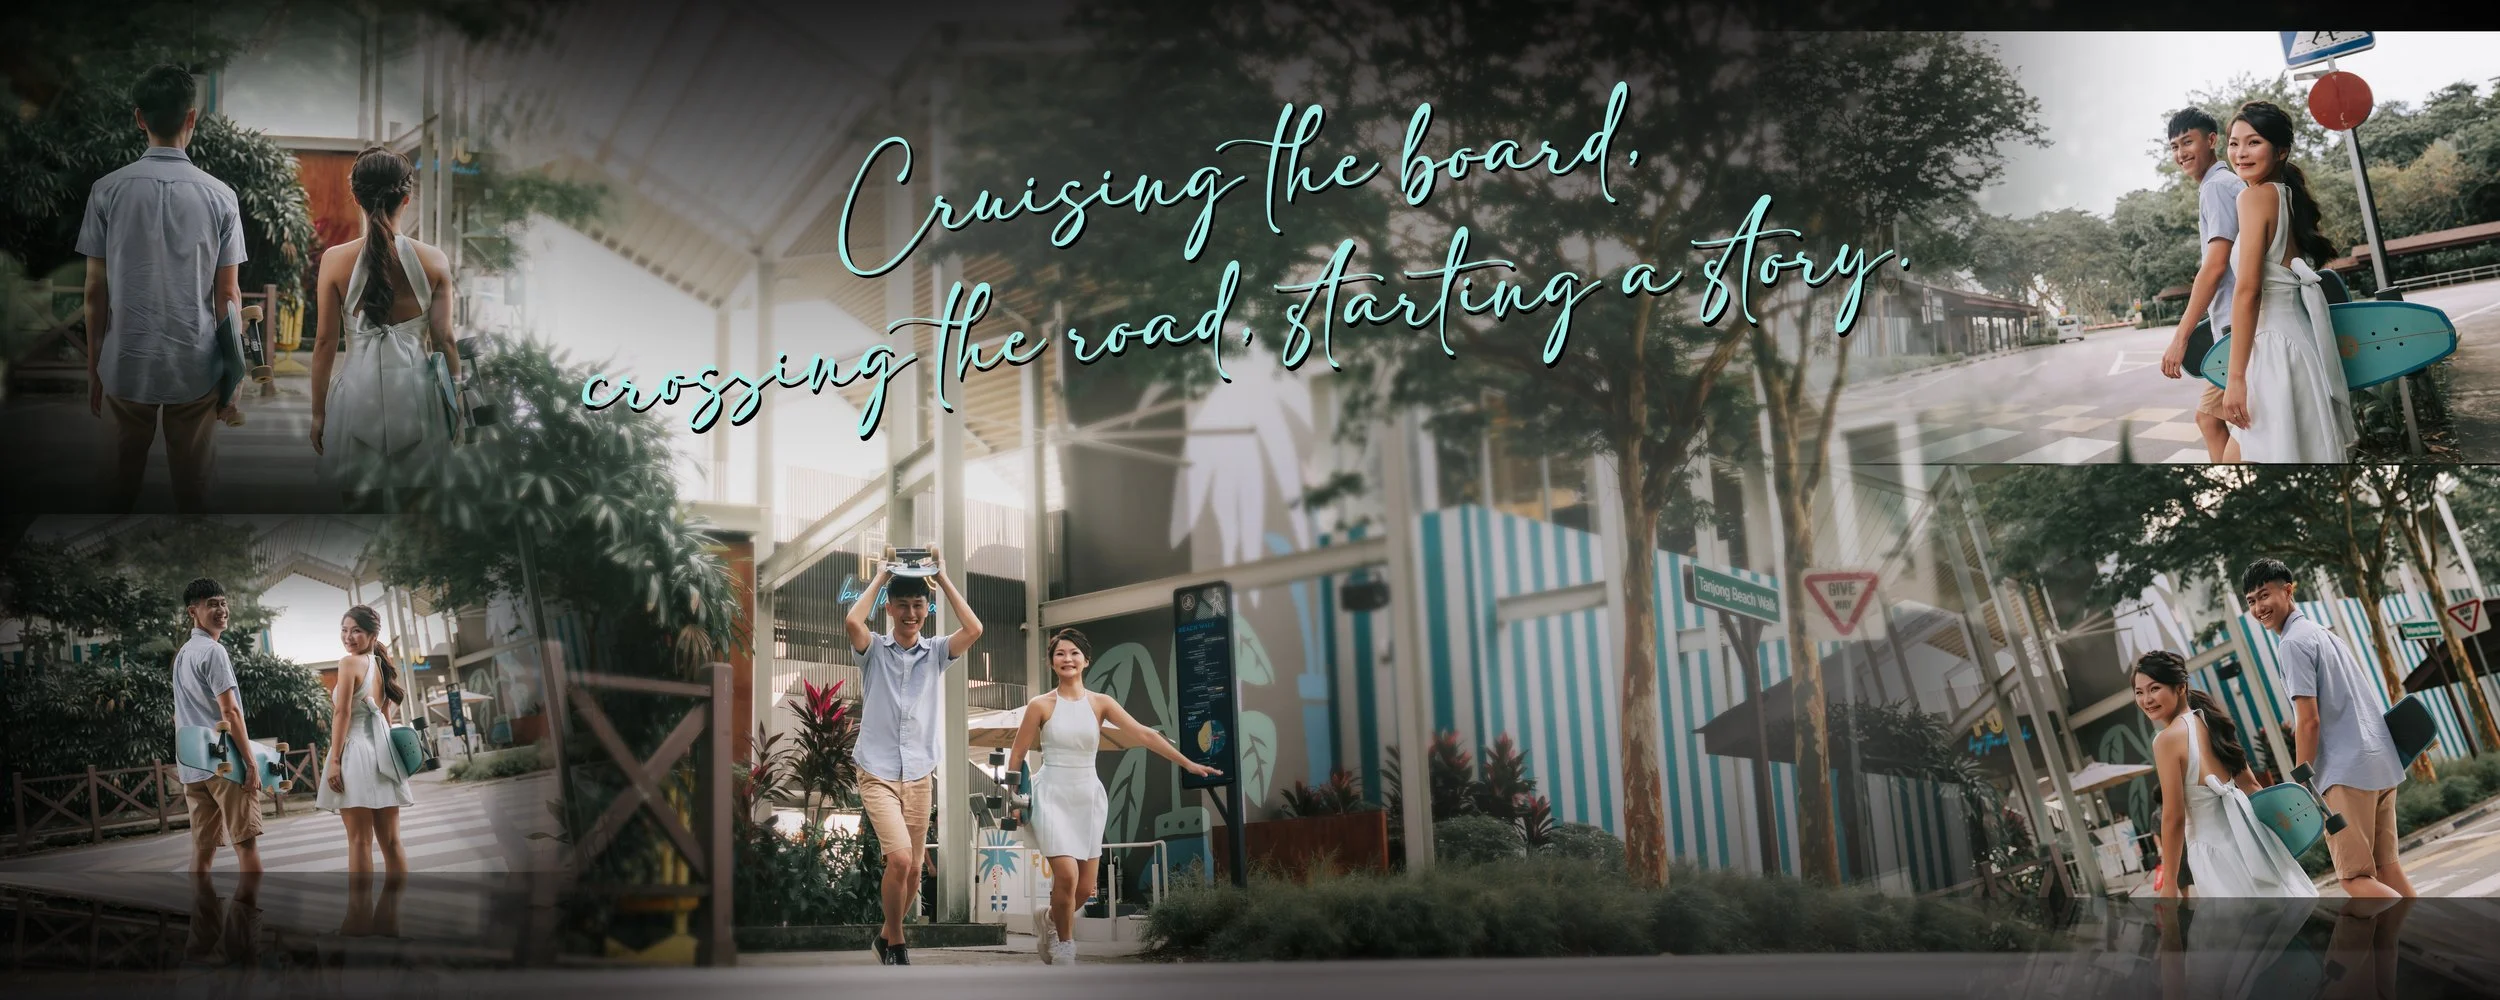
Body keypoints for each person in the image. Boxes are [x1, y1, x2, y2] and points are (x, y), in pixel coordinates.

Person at [78, 65, 249, 513]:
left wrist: (95, 365)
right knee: (196, 499)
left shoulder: (106, 191)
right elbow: (228, 296)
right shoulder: (221, 196)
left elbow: (95, 288)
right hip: (196, 366)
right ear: (191, 118)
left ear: (140, 118)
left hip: (125, 363)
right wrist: (236, 377)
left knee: (112, 497)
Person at [1005, 628, 1219, 966]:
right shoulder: (1040, 705)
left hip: (1088, 796)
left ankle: (1047, 919)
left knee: (1083, 890)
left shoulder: (1100, 703)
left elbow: (1145, 734)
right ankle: (1065, 948)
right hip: (1051, 795)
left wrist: (1188, 764)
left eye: (1074, 653)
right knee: (1067, 876)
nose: (1068, 659)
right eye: (1060, 653)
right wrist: (1013, 800)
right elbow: (1016, 756)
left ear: (1086, 660)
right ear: (1051, 662)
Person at [843, 545, 984, 966]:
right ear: (890, 609)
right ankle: (898, 944)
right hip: (878, 770)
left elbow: (974, 628)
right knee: (901, 859)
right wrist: (883, 574)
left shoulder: (937, 652)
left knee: (913, 871)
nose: (910, 613)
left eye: (918, 605)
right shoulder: (873, 651)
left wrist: (940, 575)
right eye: (902, 605)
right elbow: (853, 619)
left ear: (928, 609)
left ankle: (884, 936)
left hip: (920, 771)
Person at [2241, 559, 2412, 898]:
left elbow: (2308, 719)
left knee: (2355, 878)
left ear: (2288, 590)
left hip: (2343, 774)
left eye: (2264, 595)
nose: (2259, 607)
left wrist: (2302, 781)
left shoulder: (2291, 643)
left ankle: (2428, 944)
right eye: (2251, 601)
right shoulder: (2323, 634)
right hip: (2379, 762)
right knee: (2387, 869)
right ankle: (2440, 942)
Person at [309, 145, 458, 501]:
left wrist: (318, 414)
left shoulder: (334, 261)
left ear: (355, 196)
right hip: (420, 404)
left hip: (354, 403)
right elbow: (446, 342)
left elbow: (325, 344)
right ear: (406, 199)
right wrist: (458, 408)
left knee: (357, 510)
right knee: (417, 515)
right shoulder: (435, 261)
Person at [2215, 102, 2355, 463]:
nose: (2240, 153)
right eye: (2233, 143)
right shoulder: (2284, 195)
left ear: (2280, 151)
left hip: (2274, 349)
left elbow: (2248, 291)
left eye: (2253, 142)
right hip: (2295, 345)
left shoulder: (2254, 196)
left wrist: (2235, 377)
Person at [2132, 650, 2312, 898]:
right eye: (2139, 692)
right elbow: (2251, 786)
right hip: (2253, 842)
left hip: (2214, 855)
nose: (2146, 699)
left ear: (2181, 687)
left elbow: (2173, 816)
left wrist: (2170, 885)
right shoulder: (2212, 722)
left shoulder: (2166, 740)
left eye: (2154, 688)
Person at [2154, 108, 2245, 462]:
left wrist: (2181, 337)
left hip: (2241, 329)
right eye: (2174, 146)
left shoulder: (2217, 188)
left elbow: (2215, 267)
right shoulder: (2222, 185)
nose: (2181, 153)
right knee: (2209, 419)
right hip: (2236, 327)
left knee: (2238, 425)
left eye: (2187, 142)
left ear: (2211, 140)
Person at [317, 605, 415, 876]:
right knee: (393, 842)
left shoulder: (349, 663)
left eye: (356, 631)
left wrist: (334, 760)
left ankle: (358, 914)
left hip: (355, 755)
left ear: (373, 635)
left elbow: (342, 712)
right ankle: (393, 912)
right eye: (344, 630)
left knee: (359, 841)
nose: (348, 637)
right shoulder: (381, 666)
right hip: (384, 756)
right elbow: (385, 717)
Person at [174, 578, 263, 874]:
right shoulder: (213, 652)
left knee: (202, 855)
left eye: (223, 603)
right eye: (212, 604)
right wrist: (250, 762)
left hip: (193, 766)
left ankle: (204, 919)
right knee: (247, 849)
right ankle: (247, 919)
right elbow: (231, 711)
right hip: (225, 764)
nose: (221, 610)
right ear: (192, 611)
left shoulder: (183, 655)